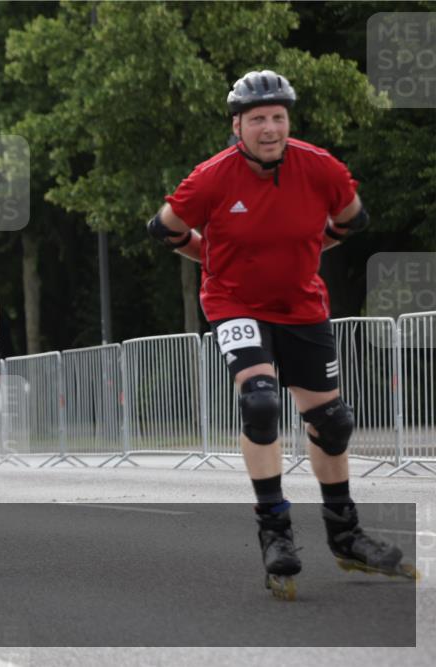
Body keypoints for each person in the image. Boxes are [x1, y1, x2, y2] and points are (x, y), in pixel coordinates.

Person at [147, 70, 415, 599]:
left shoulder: (320, 167)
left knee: (332, 422)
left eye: (277, 117)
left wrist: (311, 249)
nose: (269, 128)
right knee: (261, 402)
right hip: (234, 303)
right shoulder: (211, 177)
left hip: (301, 305)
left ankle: (345, 535)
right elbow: (165, 228)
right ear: (237, 126)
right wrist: (211, 258)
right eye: (257, 119)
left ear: (288, 120)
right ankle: (275, 531)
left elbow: (351, 220)